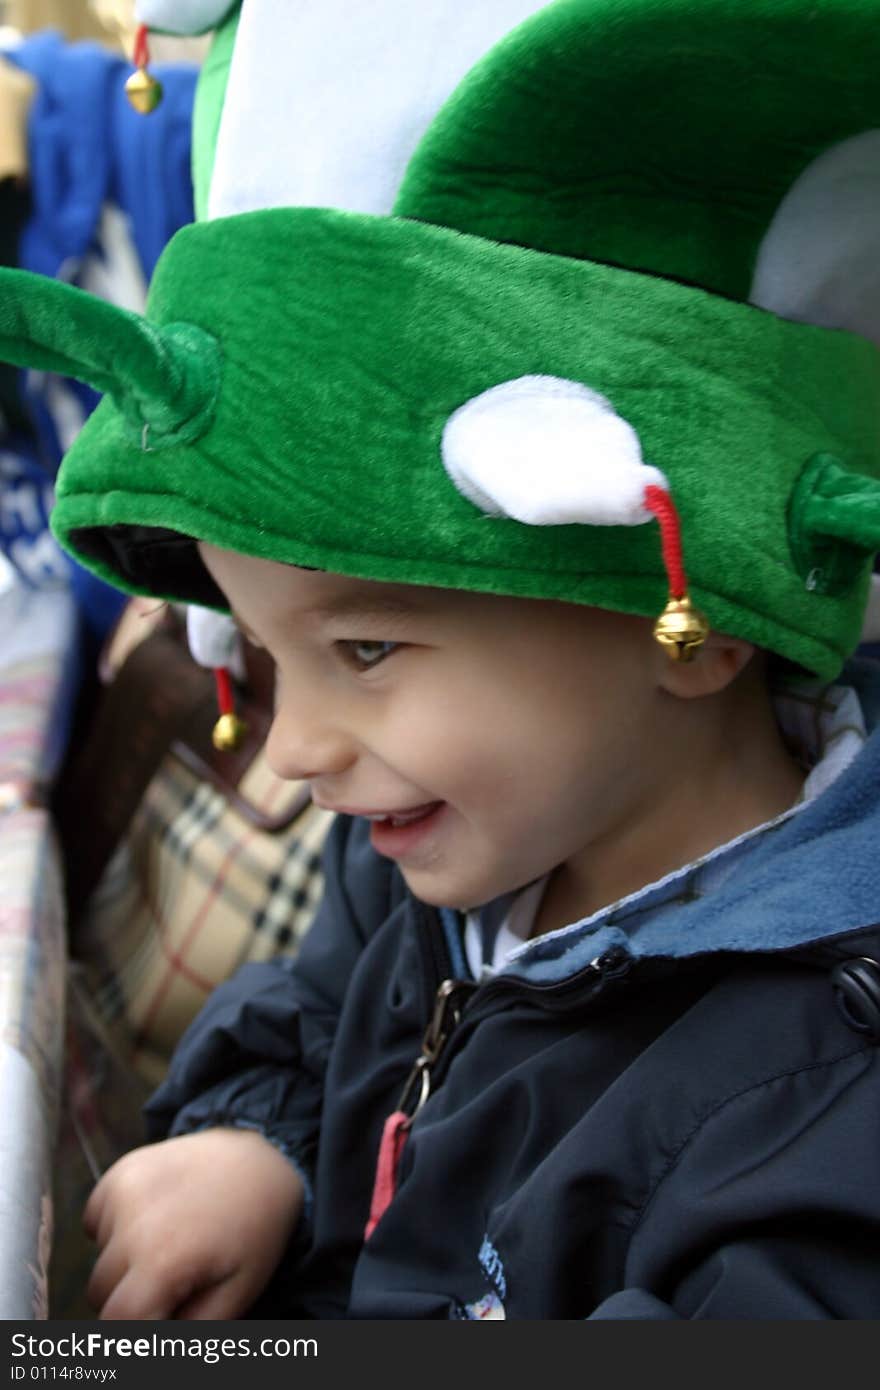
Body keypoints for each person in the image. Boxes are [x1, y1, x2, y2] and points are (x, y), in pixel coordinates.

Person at [3, 0, 880, 1319]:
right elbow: (307, 1016)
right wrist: (264, 1147)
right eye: (257, 649)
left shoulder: (817, 1115)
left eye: (363, 645)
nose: (294, 753)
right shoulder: (427, 851)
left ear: (705, 627)